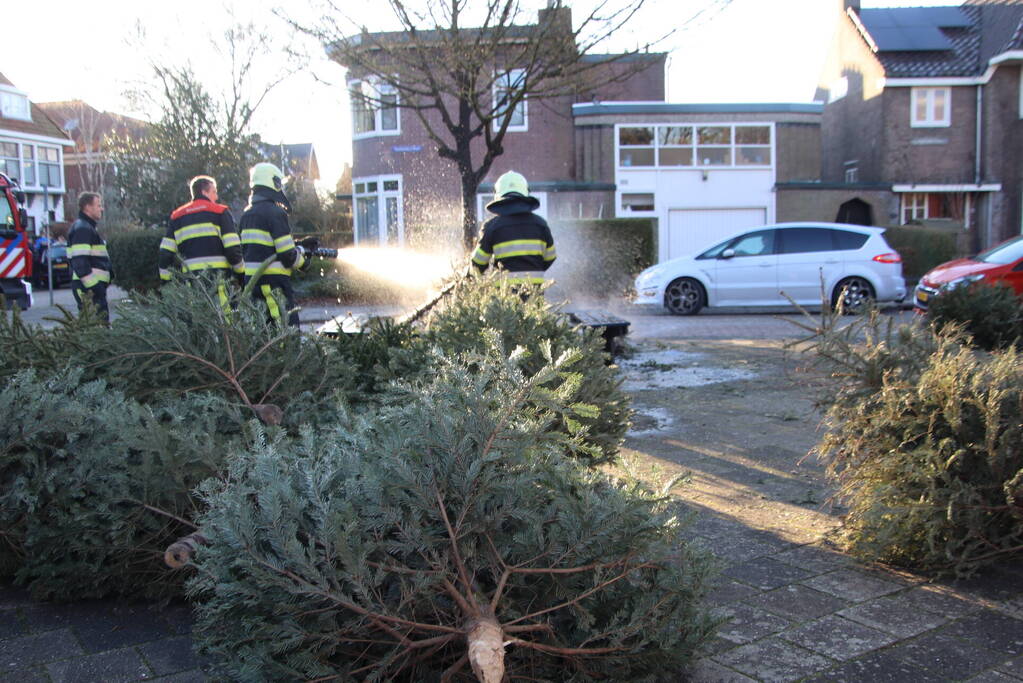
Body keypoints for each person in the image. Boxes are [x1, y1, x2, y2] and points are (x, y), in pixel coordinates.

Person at [159, 175, 243, 309]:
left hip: (191, 283)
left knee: (197, 322)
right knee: (225, 322)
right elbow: (233, 249)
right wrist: (241, 273)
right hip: (219, 282)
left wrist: (166, 280)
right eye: (214, 192)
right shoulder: (220, 212)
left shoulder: (177, 216)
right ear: (204, 192)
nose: (216, 197)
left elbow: (165, 253)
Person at [239, 162, 307, 326]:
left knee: (263, 332)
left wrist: (299, 245)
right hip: (273, 287)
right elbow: (287, 256)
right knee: (284, 333)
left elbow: (262, 247)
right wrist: (304, 260)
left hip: (253, 285)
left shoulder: (247, 214)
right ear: (273, 182)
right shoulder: (275, 213)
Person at [472, 171, 556, 286]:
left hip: (504, 298)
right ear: (525, 193)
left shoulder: (492, 227)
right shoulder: (541, 224)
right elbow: (550, 257)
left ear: (498, 195)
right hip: (534, 295)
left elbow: (478, 264)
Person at [68, 192, 112, 321]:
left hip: (90, 288)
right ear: (88, 207)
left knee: (96, 326)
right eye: (98, 205)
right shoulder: (83, 229)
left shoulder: (86, 227)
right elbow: (80, 263)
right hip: (89, 289)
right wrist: (95, 287)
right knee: (96, 327)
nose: (101, 209)